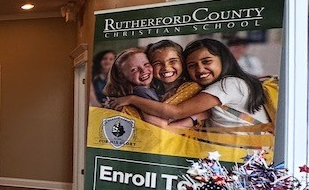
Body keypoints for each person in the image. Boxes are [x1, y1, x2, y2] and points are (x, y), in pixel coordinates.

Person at [107, 38, 269, 131]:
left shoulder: (227, 85)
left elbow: (175, 113)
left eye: (206, 61)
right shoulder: (154, 91)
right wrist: (196, 117)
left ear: (224, 59)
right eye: (192, 65)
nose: (200, 69)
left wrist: (132, 99)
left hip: (242, 155)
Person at [102, 48, 171, 126]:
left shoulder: (150, 89)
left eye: (146, 64)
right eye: (134, 69)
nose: (143, 70)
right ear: (122, 76)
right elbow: (162, 123)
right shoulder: (140, 92)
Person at [146, 40, 201, 104]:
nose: (166, 67)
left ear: (182, 62)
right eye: (158, 63)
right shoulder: (151, 90)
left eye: (172, 61)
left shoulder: (193, 87)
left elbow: (164, 112)